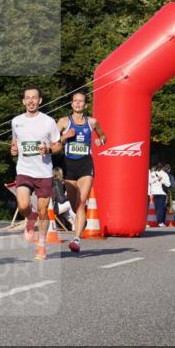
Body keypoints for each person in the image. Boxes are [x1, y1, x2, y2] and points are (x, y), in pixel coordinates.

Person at [10, 87, 61, 261]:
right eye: (27, 98)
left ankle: (41, 245)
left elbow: (58, 145)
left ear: (40, 101)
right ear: (23, 101)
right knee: (23, 205)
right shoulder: (16, 121)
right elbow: (15, 140)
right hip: (24, 170)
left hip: (44, 172)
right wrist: (14, 149)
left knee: (43, 210)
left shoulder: (49, 122)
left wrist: (48, 148)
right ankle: (30, 218)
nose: (31, 101)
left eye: (34, 98)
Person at [56, 91, 106, 253]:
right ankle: (79, 222)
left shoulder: (92, 122)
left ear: (85, 105)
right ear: (71, 104)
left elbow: (103, 135)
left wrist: (100, 141)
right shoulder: (63, 122)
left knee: (82, 202)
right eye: (75, 101)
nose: (78, 104)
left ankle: (76, 240)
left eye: (81, 101)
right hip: (69, 166)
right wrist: (64, 137)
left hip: (85, 164)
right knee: (74, 204)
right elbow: (54, 143)